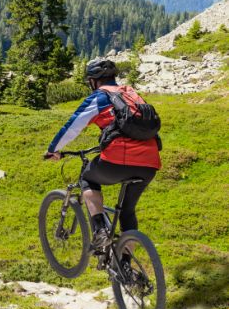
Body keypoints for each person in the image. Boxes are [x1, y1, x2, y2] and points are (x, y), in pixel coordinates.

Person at [44, 58, 161, 253]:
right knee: (127, 212)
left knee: (87, 179)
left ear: (93, 81)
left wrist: (52, 149)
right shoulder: (131, 93)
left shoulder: (100, 97)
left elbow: (72, 127)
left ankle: (100, 231)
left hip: (118, 160)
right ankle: (126, 268)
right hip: (150, 163)